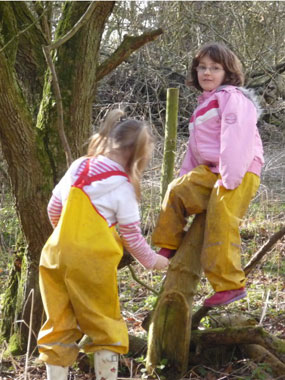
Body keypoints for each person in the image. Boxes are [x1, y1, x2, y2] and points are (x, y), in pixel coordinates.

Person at [37, 109, 169, 380]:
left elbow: (53, 208)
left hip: (54, 255)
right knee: (104, 325)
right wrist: (153, 261)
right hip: (92, 263)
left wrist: (68, 239)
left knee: (57, 326)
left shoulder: (79, 165)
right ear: (139, 154)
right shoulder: (123, 187)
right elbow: (132, 236)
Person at [152, 42, 264, 307]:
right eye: (202, 67)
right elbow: (193, 154)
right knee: (177, 190)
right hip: (213, 171)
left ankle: (229, 284)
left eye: (215, 68)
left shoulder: (232, 97)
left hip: (239, 170)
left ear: (227, 72)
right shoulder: (201, 107)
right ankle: (169, 243)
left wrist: (230, 176)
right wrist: (185, 179)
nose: (207, 73)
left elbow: (235, 139)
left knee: (221, 219)